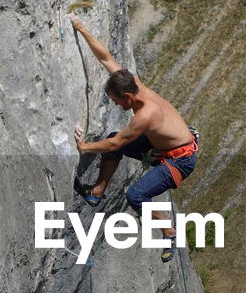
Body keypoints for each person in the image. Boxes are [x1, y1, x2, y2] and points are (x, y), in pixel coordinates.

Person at [70, 15, 198, 261]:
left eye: (117, 101)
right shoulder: (133, 83)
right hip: (164, 145)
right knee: (111, 138)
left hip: (179, 161)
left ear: (128, 96)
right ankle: (96, 192)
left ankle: (170, 233)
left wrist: (83, 145)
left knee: (136, 195)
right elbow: (106, 58)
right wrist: (81, 28)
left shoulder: (144, 116)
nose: (117, 105)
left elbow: (116, 144)